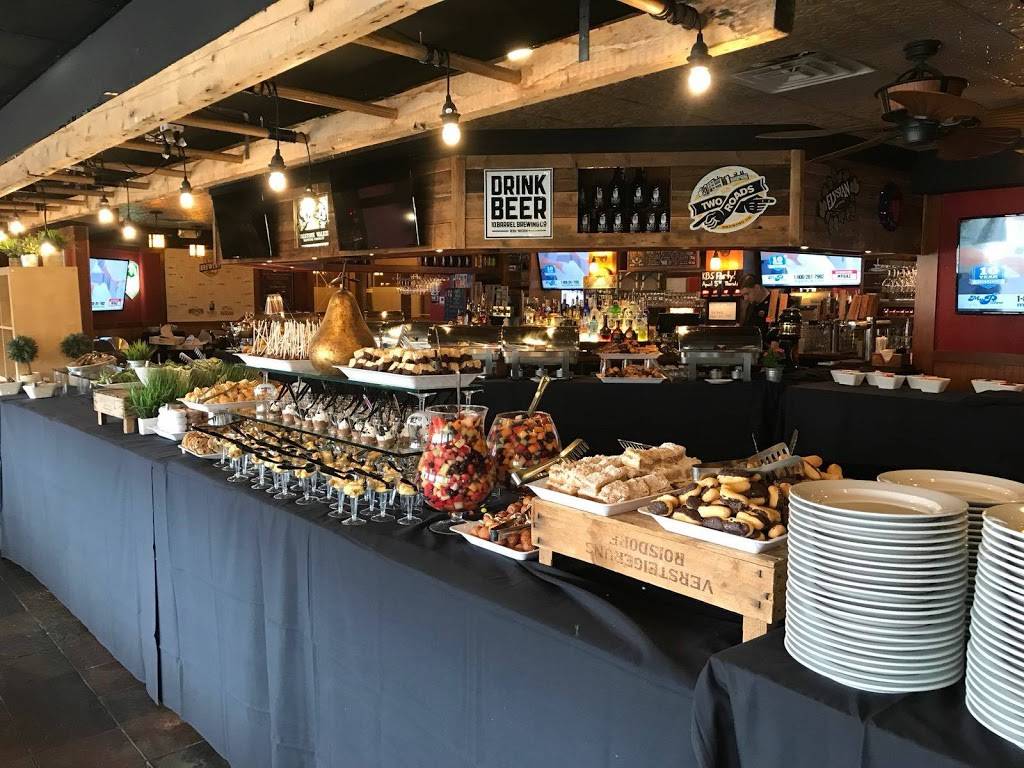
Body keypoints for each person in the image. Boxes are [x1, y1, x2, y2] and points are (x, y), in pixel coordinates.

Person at [739, 274, 771, 343]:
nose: (745, 298)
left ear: (757, 288)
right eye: (743, 295)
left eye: (747, 294)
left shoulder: (774, 303)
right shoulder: (751, 306)